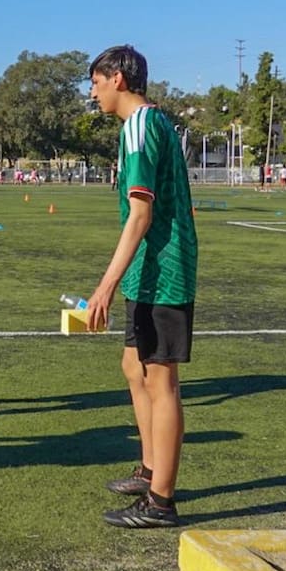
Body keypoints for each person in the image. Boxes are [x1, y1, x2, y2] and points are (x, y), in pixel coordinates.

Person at [85, 45, 197, 529]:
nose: (93, 92)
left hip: (162, 270)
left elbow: (142, 213)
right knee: (134, 366)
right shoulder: (149, 124)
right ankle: (150, 469)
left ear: (117, 79)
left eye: (95, 82)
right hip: (148, 270)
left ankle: (160, 502)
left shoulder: (139, 126)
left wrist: (105, 285)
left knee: (161, 379)